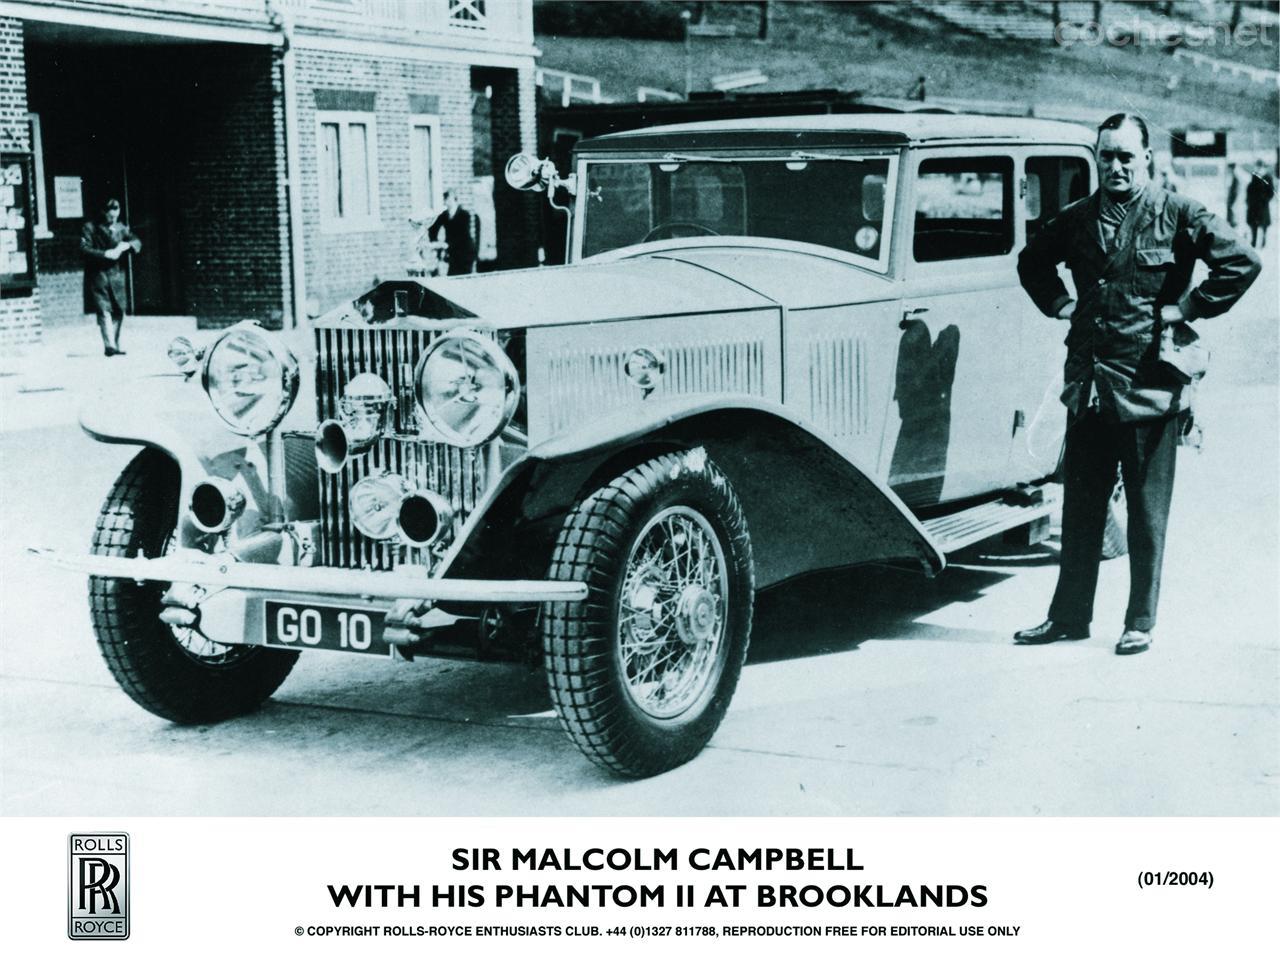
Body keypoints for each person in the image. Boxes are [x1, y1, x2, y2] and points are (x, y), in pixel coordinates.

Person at [1014, 113, 1261, 656]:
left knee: (1148, 516)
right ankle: (1068, 618)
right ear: (1097, 158)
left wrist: (1188, 307)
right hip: (1091, 389)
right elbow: (1031, 262)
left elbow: (1242, 262)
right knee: (1082, 511)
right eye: (1107, 156)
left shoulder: (1177, 213)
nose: (1117, 166)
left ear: (1147, 157)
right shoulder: (1078, 218)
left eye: (1127, 156)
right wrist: (1061, 304)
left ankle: (1140, 622)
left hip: (1150, 389)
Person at [80, 198, 141, 357]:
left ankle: (114, 343)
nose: (112, 217)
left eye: (115, 213)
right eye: (109, 214)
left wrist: (126, 245)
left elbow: (137, 241)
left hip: (117, 275)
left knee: (119, 310)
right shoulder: (90, 228)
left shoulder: (121, 228)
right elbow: (84, 249)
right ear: (103, 212)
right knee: (104, 309)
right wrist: (105, 254)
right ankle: (110, 346)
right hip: (98, 275)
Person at [427, 189, 479, 275]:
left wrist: (447, 244)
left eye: (449, 199)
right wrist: (435, 242)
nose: (446, 202)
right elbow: (433, 229)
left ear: (455, 200)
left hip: (465, 253)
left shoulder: (464, 215)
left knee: (462, 277)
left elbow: (463, 236)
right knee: (452, 275)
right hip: (453, 254)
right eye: (445, 200)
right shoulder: (444, 215)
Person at [1245, 158, 1274, 248]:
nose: (1258, 168)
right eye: (1257, 166)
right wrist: (1248, 200)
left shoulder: (1267, 177)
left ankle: (1263, 242)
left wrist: (1265, 199)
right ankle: (1253, 241)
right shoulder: (1254, 176)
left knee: (1264, 224)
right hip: (1253, 205)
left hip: (1263, 206)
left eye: (1259, 166)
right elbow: (1250, 190)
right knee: (1253, 224)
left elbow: (1271, 192)